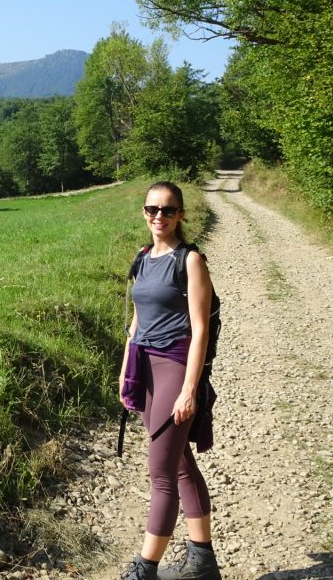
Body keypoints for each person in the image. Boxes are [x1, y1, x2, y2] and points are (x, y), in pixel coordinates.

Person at [117, 181, 221, 580]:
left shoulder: (190, 260)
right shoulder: (143, 257)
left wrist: (189, 390)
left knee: (161, 473)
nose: (158, 216)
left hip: (174, 367)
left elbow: (200, 330)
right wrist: (125, 370)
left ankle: (145, 569)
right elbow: (137, 321)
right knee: (178, 463)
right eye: (152, 209)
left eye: (167, 209)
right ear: (144, 212)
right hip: (144, 367)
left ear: (181, 214)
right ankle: (203, 563)